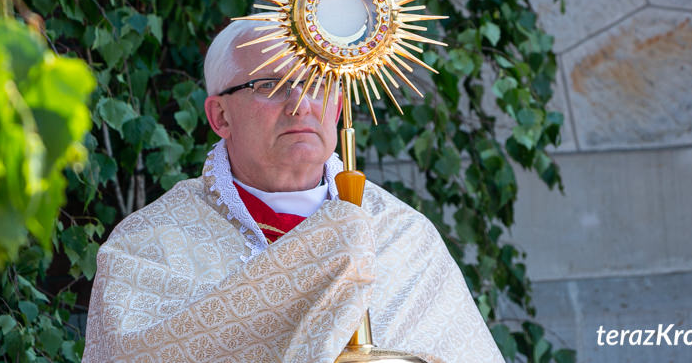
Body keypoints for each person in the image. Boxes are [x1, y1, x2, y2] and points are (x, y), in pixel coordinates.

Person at [82, 19, 503, 363]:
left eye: (317, 81)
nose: (300, 103)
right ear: (220, 116)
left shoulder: (404, 237)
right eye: (269, 85)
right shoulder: (146, 247)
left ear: (338, 108)